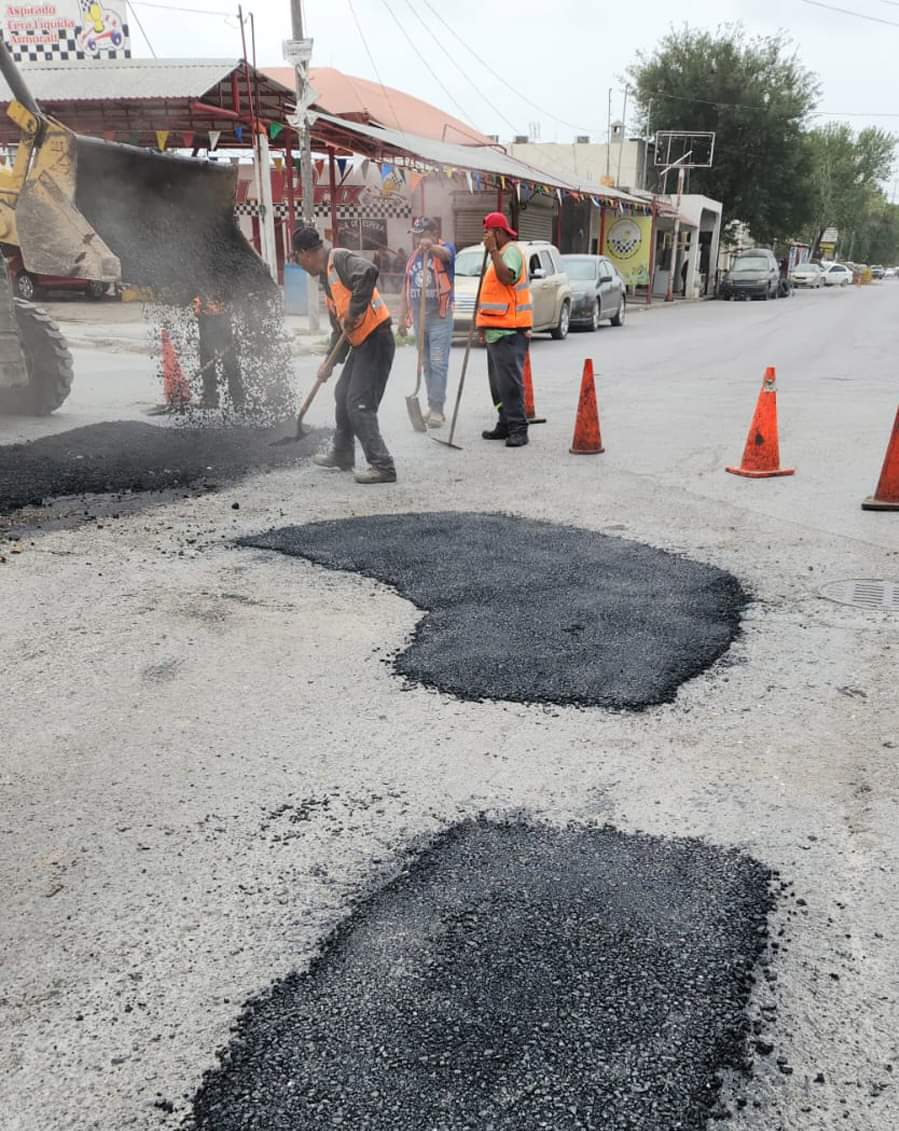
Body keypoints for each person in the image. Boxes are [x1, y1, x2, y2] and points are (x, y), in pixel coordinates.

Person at [292, 226, 397, 485]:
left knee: (359, 402)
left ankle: (383, 465)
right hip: (362, 343)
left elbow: (368, 272)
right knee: (342, 394)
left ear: (305, 253)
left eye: (298, 258)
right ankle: (343, 453)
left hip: (377, 338)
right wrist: (329, 362)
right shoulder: (328, 282)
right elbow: (340, 331)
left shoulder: (339, 259)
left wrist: (353, 311)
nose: (300, 266)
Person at [476, 211, 533, 448]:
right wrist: (482, 326)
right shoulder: (499, 254)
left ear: (498, 232)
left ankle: (519, 428)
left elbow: (507, 277)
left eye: (488, 232)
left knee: (509, 384)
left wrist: (492, 250)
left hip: (510, 330)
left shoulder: (510, 252)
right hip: (495, 329)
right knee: (497, 384)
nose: (485, 237)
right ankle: (505, 423)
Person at [399, 218, 456, 428]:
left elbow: (446, 254)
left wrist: (431, 247)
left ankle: (437, 409)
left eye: (421, 234)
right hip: (420, 319)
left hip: (439, 317)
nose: (417, 239)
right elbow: (406, 287)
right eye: (415, 235)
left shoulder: (446, 249)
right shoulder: (414, 257)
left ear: (433, 233)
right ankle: (432, 405)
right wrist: (402, 319)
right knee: (427, 365)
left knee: (438, 363)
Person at [192, 293, 244, 410]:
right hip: (206, 320)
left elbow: (232, 298)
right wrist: (198, 309)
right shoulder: (200, 291)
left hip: (221, 320)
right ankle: (210, 399)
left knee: (231, 365)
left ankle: (238, 400)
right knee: (207, 363)